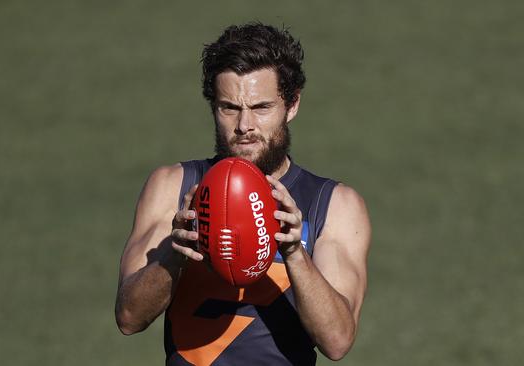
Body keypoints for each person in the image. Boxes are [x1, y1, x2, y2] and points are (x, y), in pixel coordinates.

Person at [115, 22, 371, 365]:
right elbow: (129, 318)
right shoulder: (172, 186)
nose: (244, 126)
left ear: (292, 105)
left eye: (261, 107)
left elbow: (337, 341)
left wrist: (294, 253)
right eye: (229, 108)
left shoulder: (335, 204)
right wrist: (174, 255)